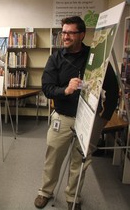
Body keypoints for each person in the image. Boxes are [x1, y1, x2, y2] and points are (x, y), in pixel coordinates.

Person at [34, 16, 119, 210]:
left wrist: (103, 119)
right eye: (63, 32)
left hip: (88, 120)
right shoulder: (55, 58)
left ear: (82, 35)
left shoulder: (96, 58)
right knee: (53, 158)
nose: (65, 36)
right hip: (62, 118)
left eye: (70, 32)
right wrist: (65, 90)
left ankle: (73, 196)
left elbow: (113, 89)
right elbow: (47, 88)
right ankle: (45, 191)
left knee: (80, 161)